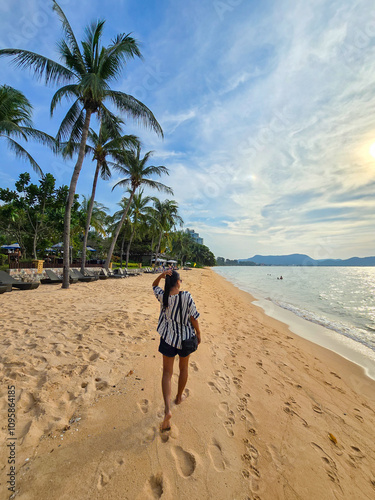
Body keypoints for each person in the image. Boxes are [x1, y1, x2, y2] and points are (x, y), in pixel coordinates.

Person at [152, 270, 201, 431]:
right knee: (183, 368)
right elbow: (193, 317)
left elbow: (154, 285)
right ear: (178, 282)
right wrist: (199, 334)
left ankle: (167, 410)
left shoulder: (163, 296)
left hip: (168, 338)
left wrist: (161, 275)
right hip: (186, 339)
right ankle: (179, 398)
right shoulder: (186, 296)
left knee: (167, 373)